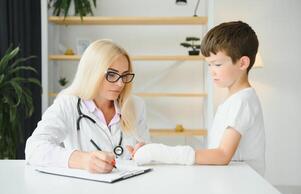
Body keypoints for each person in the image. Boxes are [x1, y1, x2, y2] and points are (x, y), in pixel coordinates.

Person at [134, 21, 265, 176]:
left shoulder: (243, 101)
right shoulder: (234, 100)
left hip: (244, 183)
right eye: (209, 65)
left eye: (217, 64)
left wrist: (160, 152)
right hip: (231, 178)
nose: (212, 71)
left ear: (243, 63)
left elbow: (222, 155)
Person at [25, 39, 150, 173]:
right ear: (92, 72)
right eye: (112, 74)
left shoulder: (136, 105)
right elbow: (34, 148)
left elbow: (145, 150)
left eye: (124, 75)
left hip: (128, 187)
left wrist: (146, 152)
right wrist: (83, 160)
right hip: (84, 190)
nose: (120, 83)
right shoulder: (67, 104)